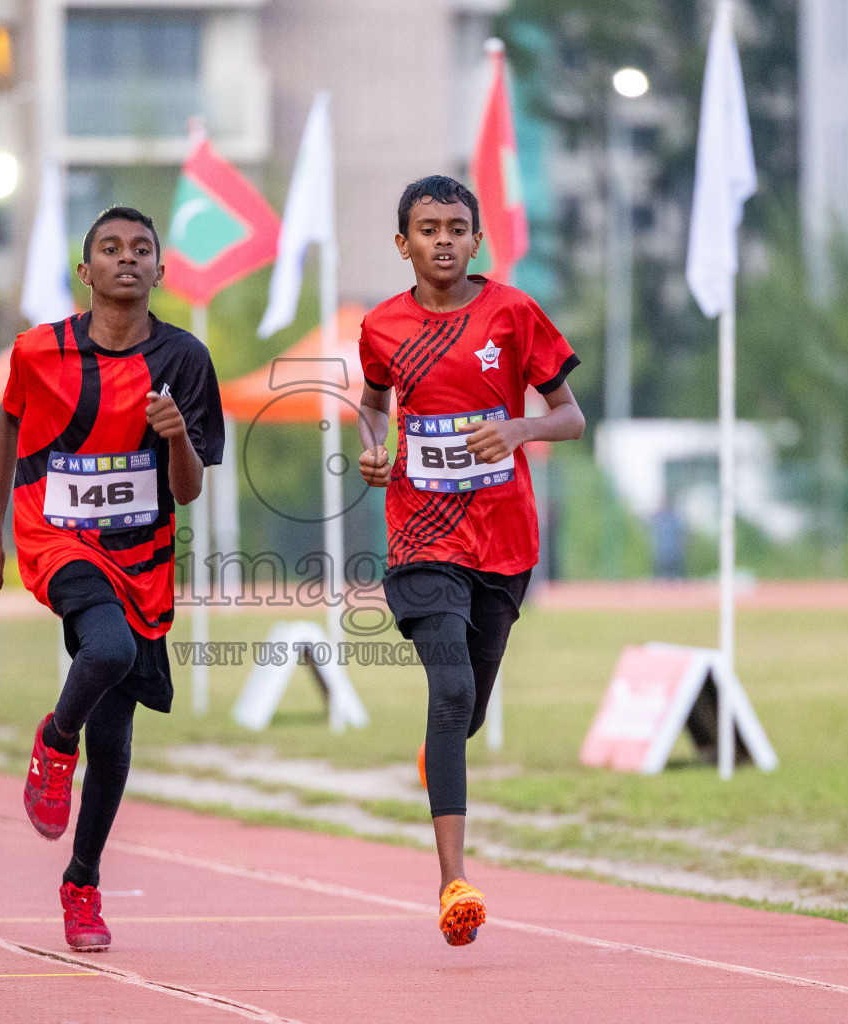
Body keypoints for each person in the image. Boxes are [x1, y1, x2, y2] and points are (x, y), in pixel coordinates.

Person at [0, 206, 224, 952]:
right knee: (106, 653)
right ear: (86, 271)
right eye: (110, 249)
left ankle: (81, 882)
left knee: (115, 742)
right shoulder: (37, 352)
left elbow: (187, 491)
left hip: (141, 556)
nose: (126, 258)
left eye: (141, 249)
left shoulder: (185, 360)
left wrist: (175, 435)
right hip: (56, 536)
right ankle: (53, 742)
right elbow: (8, 428)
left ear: (158, 270)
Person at [357, 176, 584, 946]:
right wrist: (371, 447)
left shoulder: (513, 313)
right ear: (404, 244)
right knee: (450, 688)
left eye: (457, 226)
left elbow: (571, 416)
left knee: (466, 710)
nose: (443, 239)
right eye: (428, 228)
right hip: (422, 537)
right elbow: (373, 402)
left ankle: (439, 747)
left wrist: (518, 432)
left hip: (504, 540)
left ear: (477, 239)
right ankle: (454, 882)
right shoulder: (383, 325)